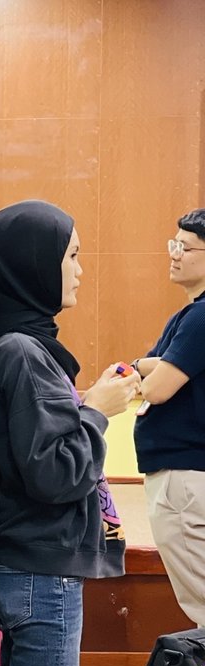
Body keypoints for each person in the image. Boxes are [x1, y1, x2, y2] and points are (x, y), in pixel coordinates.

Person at [0, 200, 139, 666]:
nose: (80, 271)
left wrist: (89, 404)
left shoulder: (12, 345)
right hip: (40, 565)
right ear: (30, 266)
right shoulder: (21, 352)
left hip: (27, 559)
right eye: (71, 256)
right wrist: (97, 411)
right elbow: (55, 473)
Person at [133, 209, 205, 625]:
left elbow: (156, 388)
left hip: (186, 478)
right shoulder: (188, 315)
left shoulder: (201, 316)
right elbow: (154, 366)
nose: (174, 254)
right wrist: (148, 366)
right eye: (173, 244)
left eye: (185, 248)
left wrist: (142, 369)